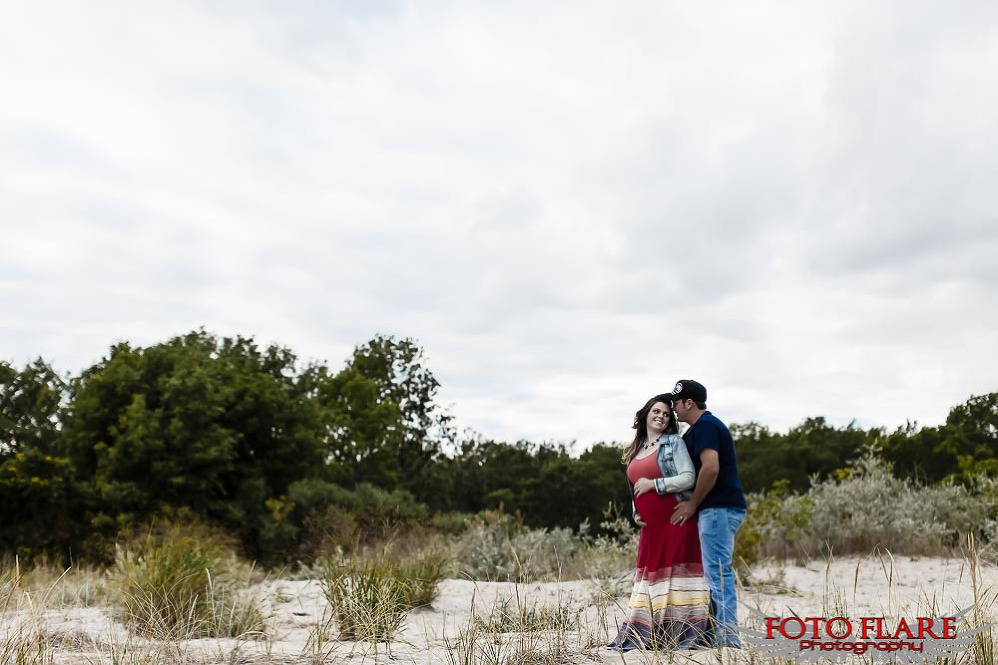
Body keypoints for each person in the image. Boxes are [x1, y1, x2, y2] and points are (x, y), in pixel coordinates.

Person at [607, 395, 711, 651]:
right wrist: (635, 512)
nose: (661, 417)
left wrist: (654, 484)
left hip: (675, 522)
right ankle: (649, 633)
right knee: (650, 579)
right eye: (657, 411)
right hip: (651, 529)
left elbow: (688, 477)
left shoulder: (673, 443)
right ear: (645, 414)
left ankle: (682, 634)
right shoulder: (635, 448)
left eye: (666, 414)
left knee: (675, 580)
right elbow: (633, 486)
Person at [665, 379, 746, 649]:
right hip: (715, 511)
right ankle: (714, 637)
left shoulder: (707, 426)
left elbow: (710, 468)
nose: (674, 408)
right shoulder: (694, 433)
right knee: (712, 576)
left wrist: (692, 505)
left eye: (676, 403)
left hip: (718, 509)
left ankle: (729, 642)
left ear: (689, 403)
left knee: (718, 574)